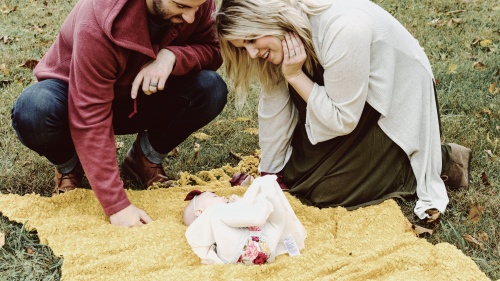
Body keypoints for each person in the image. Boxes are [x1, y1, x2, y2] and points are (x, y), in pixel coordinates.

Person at [214, 0, 472, 221]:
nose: (251, 52)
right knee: (295, 178)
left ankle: (437, 160)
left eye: (251, 39)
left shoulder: (343, 27)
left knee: (327, 192)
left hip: (389, 104)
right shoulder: (284, 35)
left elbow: (342, 119)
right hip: (344, 101)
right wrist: (268, 175)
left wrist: (295, 76)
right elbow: (274, 107)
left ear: (268, 18)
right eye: (241, 47)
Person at [10, 0, 228, 227]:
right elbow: (90, 113)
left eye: (197, 7)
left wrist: (172, 57)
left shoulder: (196, 3)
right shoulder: (97, 18)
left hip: (139, 95)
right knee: (34, 108)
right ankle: (70, 166)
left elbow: (213, 49)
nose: (191, 17)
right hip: (75, 96)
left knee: (210, 88)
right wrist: (117, 206)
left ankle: (144, 158)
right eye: (181, 6)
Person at [184, 175, 307, 265]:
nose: (222, 196)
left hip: (260, 244)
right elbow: (253, 219)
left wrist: (240, 203)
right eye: (214, 196)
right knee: (265, 194)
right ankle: (265, 202)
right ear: (199, 212)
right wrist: (245, 203)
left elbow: (243, 220)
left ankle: (265, 202)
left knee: (275, 220)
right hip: (243, 249)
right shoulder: (213, 214)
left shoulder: (222, 217)